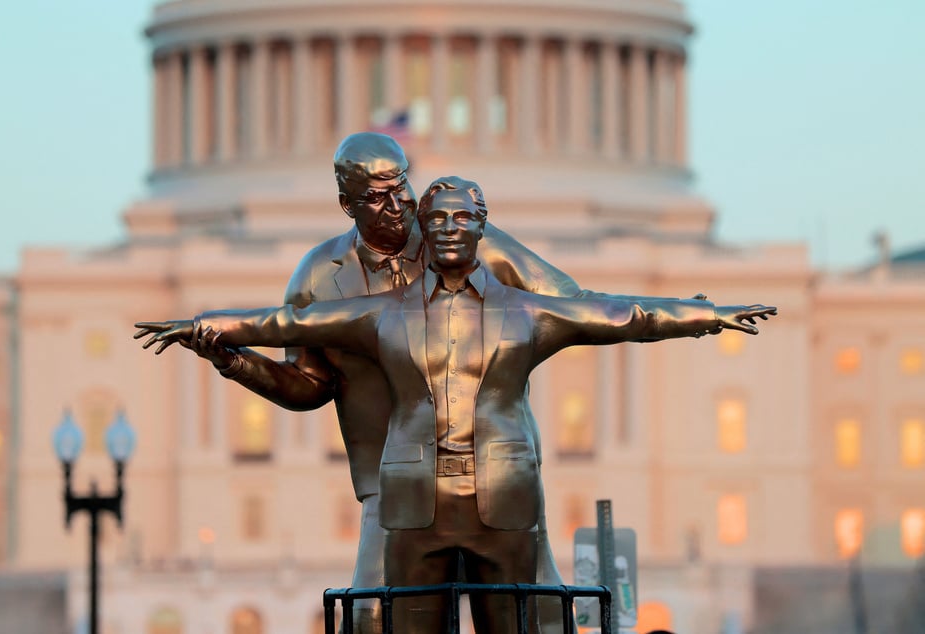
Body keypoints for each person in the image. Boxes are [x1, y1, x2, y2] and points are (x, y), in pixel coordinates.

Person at [136, 175, 776, 634]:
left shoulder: (530, 310)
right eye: (435, 219)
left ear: (482, 228)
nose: (446, 230)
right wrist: (206, 329)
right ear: (423, 227)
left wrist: (709, 316)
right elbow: (281, 323)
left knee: (516, 622)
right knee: (399, 623)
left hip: (505, 491)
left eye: (462, 219)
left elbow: (627, 315)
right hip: (412, 496)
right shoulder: (380, 313)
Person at [179, 132, 625, 634]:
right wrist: (235, 362)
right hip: (393, 482)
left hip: (491, 472)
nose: (398, 206)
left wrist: (695, 315)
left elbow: (570, 305)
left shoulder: (462, 237)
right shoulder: (317, 278)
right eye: (377, 196)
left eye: (401, 186)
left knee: (534, 614)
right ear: (347, 204)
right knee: (374, 616)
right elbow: (308, 385)